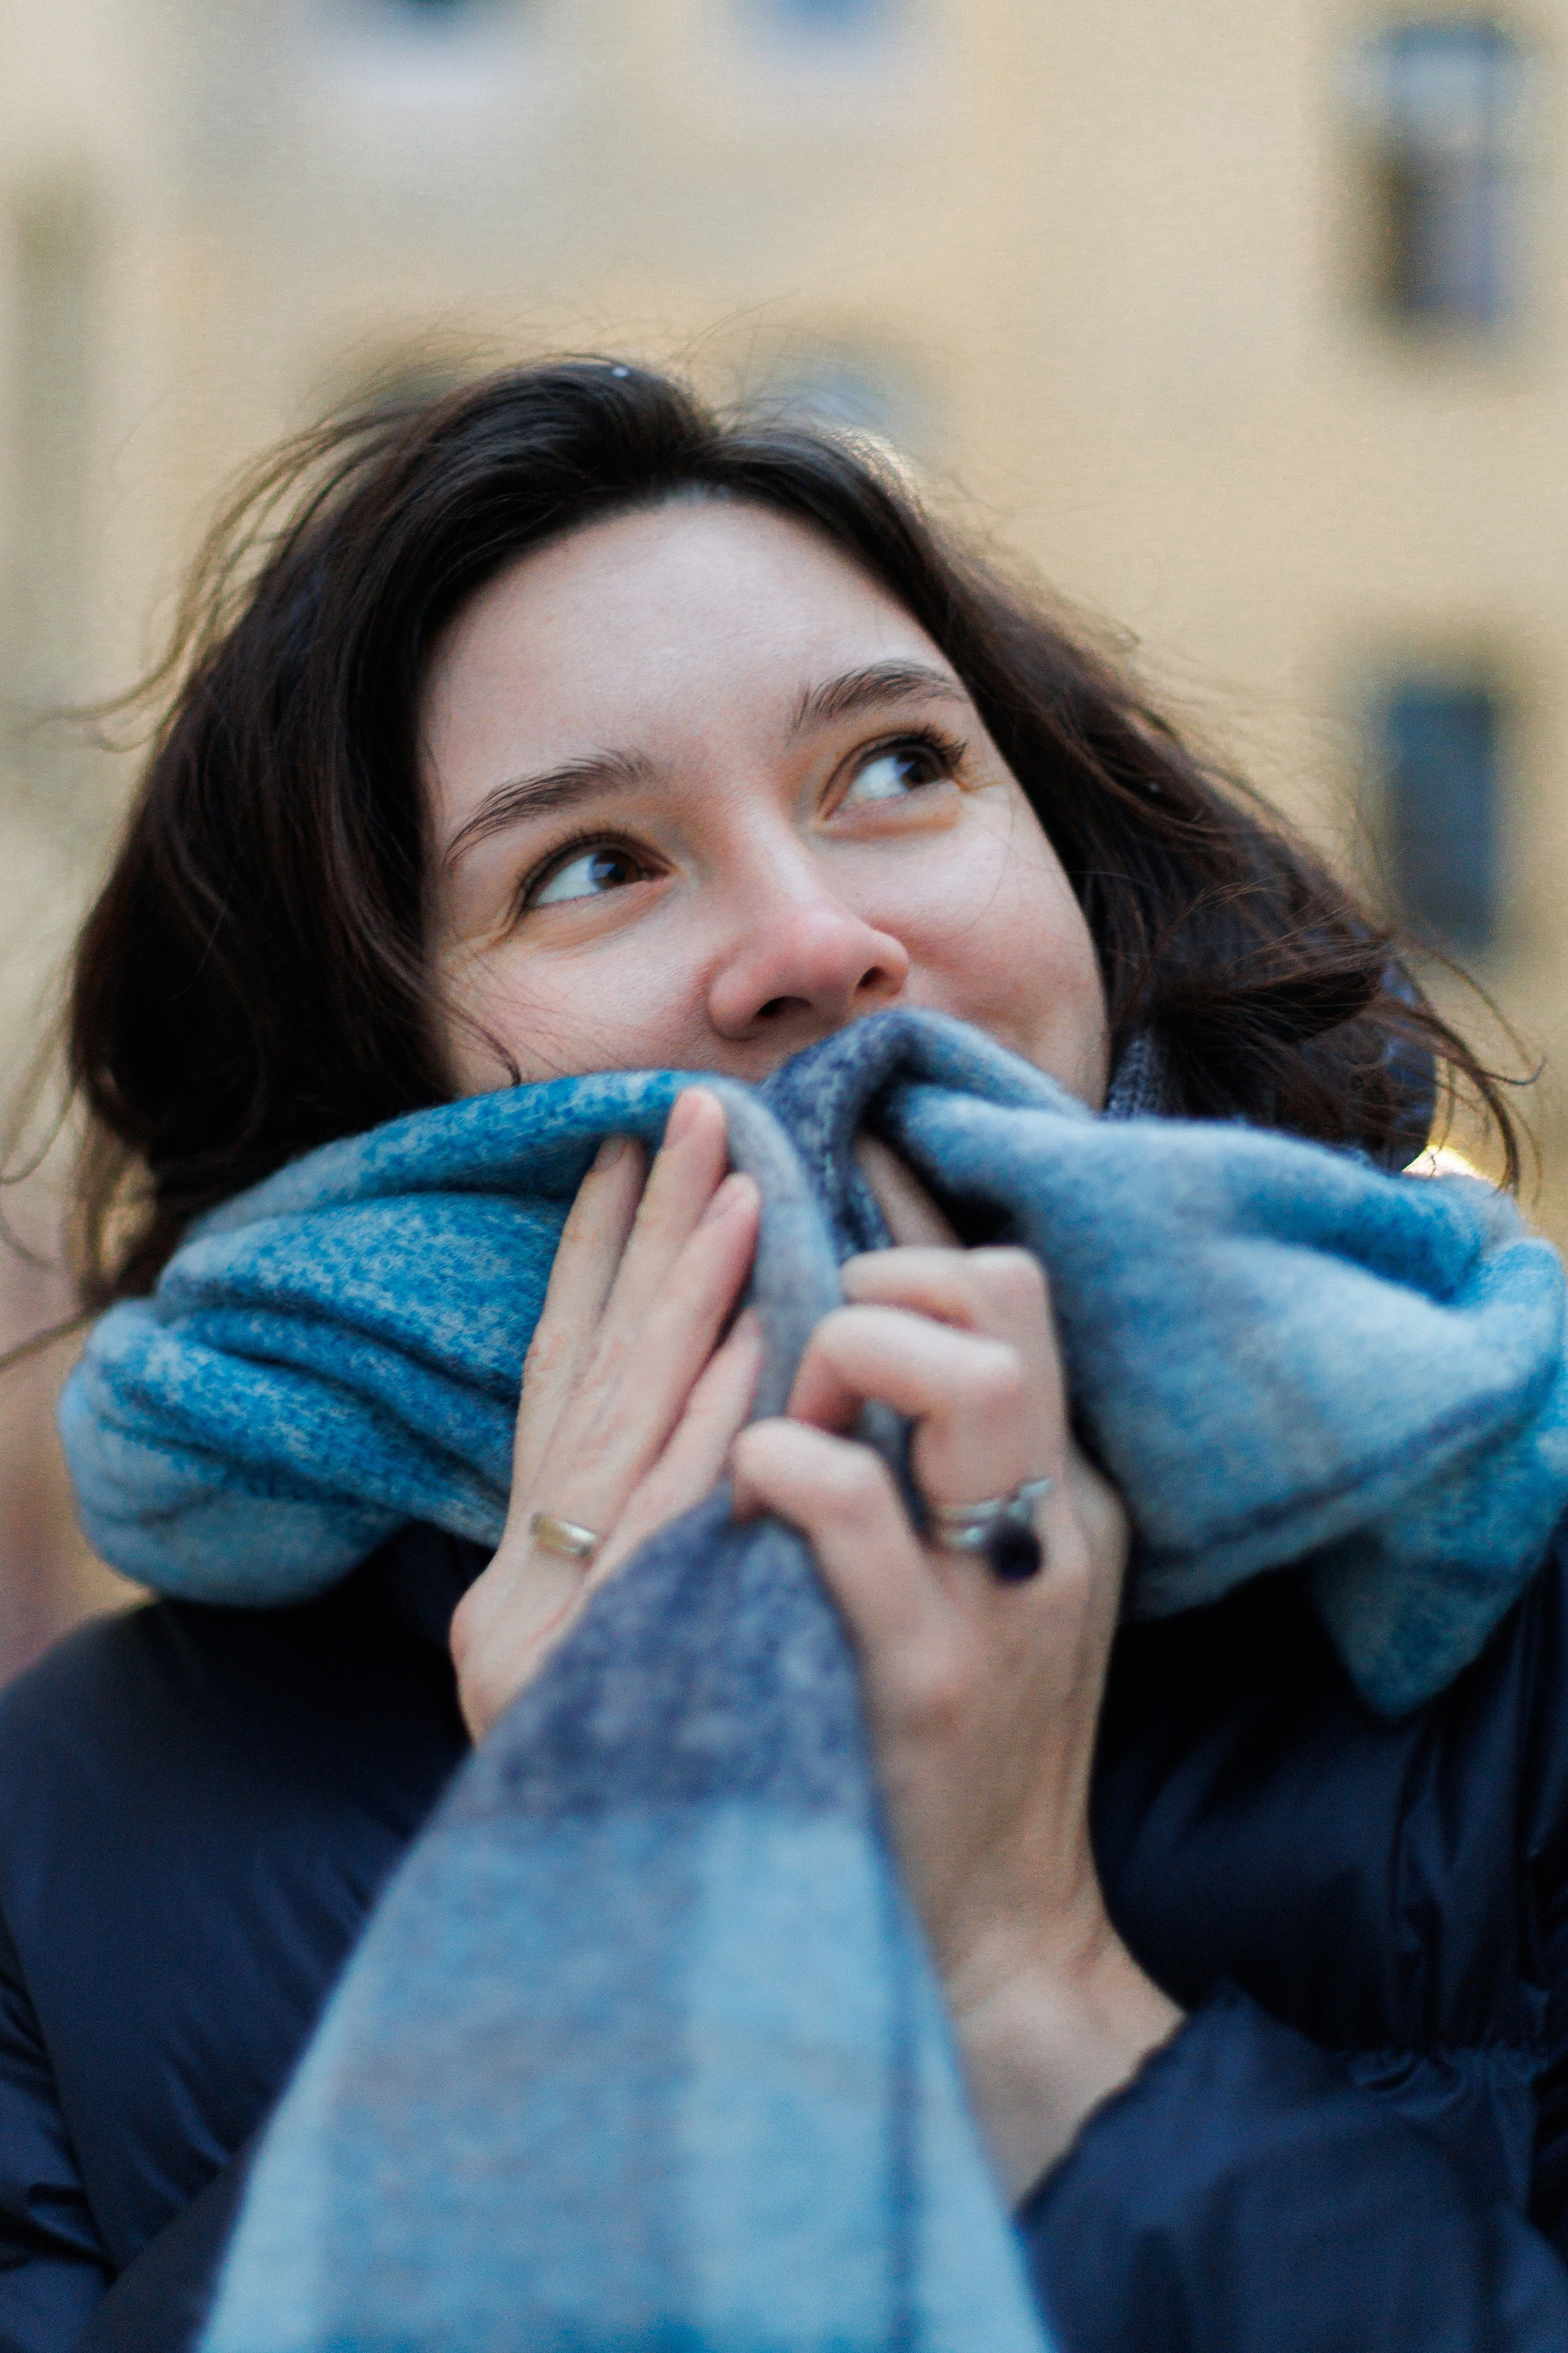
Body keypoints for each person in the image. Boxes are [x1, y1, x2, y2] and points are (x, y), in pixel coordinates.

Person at [0, 358, 1561, 2353]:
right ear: (370, 1090)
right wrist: (564, 1939)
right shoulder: (59, 1842)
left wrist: (1024, 1980)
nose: (817, 938)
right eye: (592, 864)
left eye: (896, 765)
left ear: (1077, 866)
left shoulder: (1523, 1594)